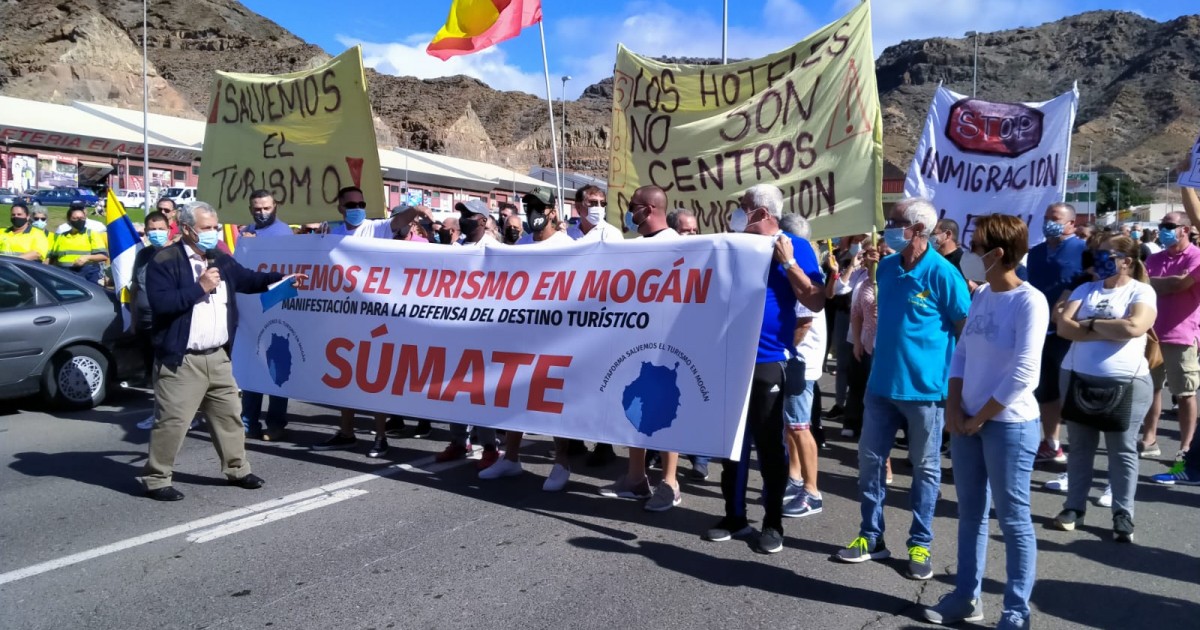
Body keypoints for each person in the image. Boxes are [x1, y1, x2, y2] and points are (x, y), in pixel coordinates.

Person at [835, 197, 970, 580]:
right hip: (880, 387)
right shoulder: (888, 268)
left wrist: (956, 386)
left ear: (919, 230)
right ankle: (871, 537)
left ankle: (920, 542)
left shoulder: (943, 274)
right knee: (870, 466)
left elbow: (965, 329)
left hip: (926, 394)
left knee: (925, 471)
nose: (888, 228)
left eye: (895, 222)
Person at [925, 214, 1047, 630]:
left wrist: (980, 416)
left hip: (1008, 425)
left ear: (997, 254)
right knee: (970, 513)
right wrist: (955, 409)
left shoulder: (1029, 300)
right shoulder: (981, 297)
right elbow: (960, 355)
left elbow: (1024, 373)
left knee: (1013, 518)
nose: (969, 254)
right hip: (968, 423)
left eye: (975, 247)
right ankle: (965, 597)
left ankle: (1015, 612)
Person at [140, 202, 301, 501]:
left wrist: (281, 277)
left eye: (214, 227)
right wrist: (199, 286)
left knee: (229, 417)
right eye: (206, 228)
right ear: (187, 229)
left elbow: (249, 279)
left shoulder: (221, 260)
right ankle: (156, 478)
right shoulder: (164, 261)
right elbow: (162, 305)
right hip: (181, 360)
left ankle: (237, 469)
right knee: (172, 422)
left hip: (217, 357)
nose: (212, 233)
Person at [702, 184, 824, 553]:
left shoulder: (796, 246)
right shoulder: (736, 243)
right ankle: (735, 517)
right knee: (732, 444)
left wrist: (787, 262)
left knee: (769, 444)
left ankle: (772, 522)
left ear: (763, 214)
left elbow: (816, 301)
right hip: (730, 357)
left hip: (769, 360)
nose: (737, 214)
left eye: (743, 208)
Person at [1050, 234, 1155, 543]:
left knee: (1122, 450)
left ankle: (1123, 513)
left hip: (1126, 383)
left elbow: (1135, 327)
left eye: (1108, 254)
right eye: (1098, 253)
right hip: (1077, 377)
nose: (1100, 258)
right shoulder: (1085, 289)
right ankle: (1073, 508)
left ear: (1127, 261)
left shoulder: (1142, 291)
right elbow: (1064, 327)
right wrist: (1109, 326)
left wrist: (1089, 324)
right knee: (1080, 447)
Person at [314, 188, 433, 456]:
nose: (357, 207)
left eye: (361, 202)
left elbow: (398, 222)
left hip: (373, 317)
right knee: (342, 376)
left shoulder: (375, 228)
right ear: (340, 207)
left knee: (373, 377)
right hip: (343, 316)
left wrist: (417, 211)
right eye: (351, 204)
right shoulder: (332, 231)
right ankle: (346, 432)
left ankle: (380, 436)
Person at [594, 185, 690, 510]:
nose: (628, 211)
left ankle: (670, 482)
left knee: (664, 415)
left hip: (665, 347)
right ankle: (636, 478)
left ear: (648, 210)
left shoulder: (678, 246)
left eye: (633, 206)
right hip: (633, 344)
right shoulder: (632, 247)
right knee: (635, 408)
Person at [480, 188, 577, 489]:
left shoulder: (569, 246)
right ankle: (510, 457)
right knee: (514, 394)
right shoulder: (520, 245)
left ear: (552, 210)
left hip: (556, 337)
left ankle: (561, 463)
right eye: (528, 206)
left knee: (554, 401)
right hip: (521, 335)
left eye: (539, 206)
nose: (533, 212)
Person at [436, 199, 501, 470]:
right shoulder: (454, 249)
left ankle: (489, 446)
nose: (464, 220)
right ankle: (458, 441)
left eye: (470, 215)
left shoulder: (497, 250)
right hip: (456, 330)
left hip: (484, 331)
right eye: (461, 215)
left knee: (479, 391)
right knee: (455, 388)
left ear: (484, 221)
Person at [1026, 203, 1087, 483]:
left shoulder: (1085, 252)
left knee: (1071, 393)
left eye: (1057, 219)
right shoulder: (1035, 253)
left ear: (1072, 224)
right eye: (1047, 218)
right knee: (1046, 392)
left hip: (1069, 333)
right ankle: (1051, 443)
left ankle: (1080, 455)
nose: (1050, 222)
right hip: (1038, 332)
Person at [132, 211, 204, 431]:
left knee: (175, 373)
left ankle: (187, 415)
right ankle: (159, 413)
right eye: (151, 229)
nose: (156, 233)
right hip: (145, 320)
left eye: (160, 229)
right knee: (155, 374)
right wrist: (134, 317)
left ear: (170, 228)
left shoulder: (177, 254)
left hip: (169, 321)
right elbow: (136, 285)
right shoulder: (143, 255)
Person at [1139, 211, 1200, 462]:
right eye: (1161, 225)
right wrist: (1165, 282)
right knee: (1150, 390)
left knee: (1185, 393)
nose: (1163, 229)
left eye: (1169, 225)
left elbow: (1179, 285)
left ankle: (1186, 447)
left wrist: (1156, 282)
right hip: (1152, 333)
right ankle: (1149, 439)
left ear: (1184, 229)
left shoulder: (1196, 256)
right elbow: (1141, 284)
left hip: (1182, 335)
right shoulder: (1155, 258)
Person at [778, 213, 825, 520]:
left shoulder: (802, 272)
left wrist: (782, 350)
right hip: (797, 359)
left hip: (799, 361)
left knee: (799, 426)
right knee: (790, 426)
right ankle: (795, 478)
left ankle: (812, 491)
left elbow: (804, 320)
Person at [237, 190, 293, 441]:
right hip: (251, 307)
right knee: (252, 368)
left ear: (275, 207)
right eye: (257, 208)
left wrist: (254, 244)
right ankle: (248, 421)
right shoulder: (247, 231)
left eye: (266, 208)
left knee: (276, 365)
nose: (262, 213)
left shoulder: (284, 234)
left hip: (277, 305)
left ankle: (276, 422)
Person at [48, 203, 108, 284]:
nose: (79, 220)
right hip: (64, 276)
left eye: (82, 218)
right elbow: (51, 258)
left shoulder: (91, 234)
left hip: (86, 275)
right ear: (69, 220)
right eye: (75, 218)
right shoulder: (61, 237)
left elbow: (103, 256)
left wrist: (87, 257)